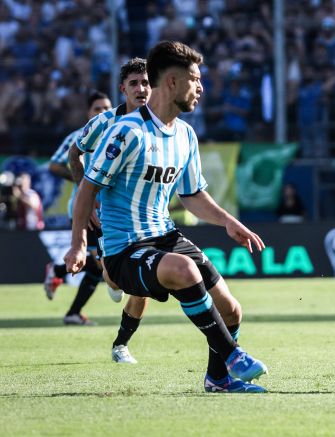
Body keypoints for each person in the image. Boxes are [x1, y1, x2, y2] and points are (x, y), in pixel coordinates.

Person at [64, 41, 268, 393]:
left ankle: (218, 379)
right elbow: (87, 188)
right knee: (185, 271)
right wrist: (79, 243)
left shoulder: (186, 135)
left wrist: (228, 222)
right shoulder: (126, 132)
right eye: (195, 79)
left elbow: (191, 195)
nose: (201, 87)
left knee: (232, 310)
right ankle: (233, 356)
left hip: (165, 236)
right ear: (172, 82)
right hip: (125, 249)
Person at [68, 58, 151, 363]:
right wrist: (85, 197)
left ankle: (121, 345)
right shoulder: (104, 122)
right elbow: (74, 152)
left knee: (143, 284)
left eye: (146, 83)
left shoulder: (160, 125)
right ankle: (109, 274)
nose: (141, 89)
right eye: (134, 83)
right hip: (110, 216)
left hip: (147, 219)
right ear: (123, 89)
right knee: (117, 283)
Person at [45, 90, 112, 326]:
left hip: (111, 209)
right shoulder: (79, 136)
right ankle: (59, 275)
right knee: (101, 265)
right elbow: (54, 165)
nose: (102, 113)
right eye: (97, 109)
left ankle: (61, 280)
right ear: (88, 113)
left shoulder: (118, 134)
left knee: (95, 267)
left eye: (106, 108)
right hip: (86, 208)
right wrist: (83, 182)